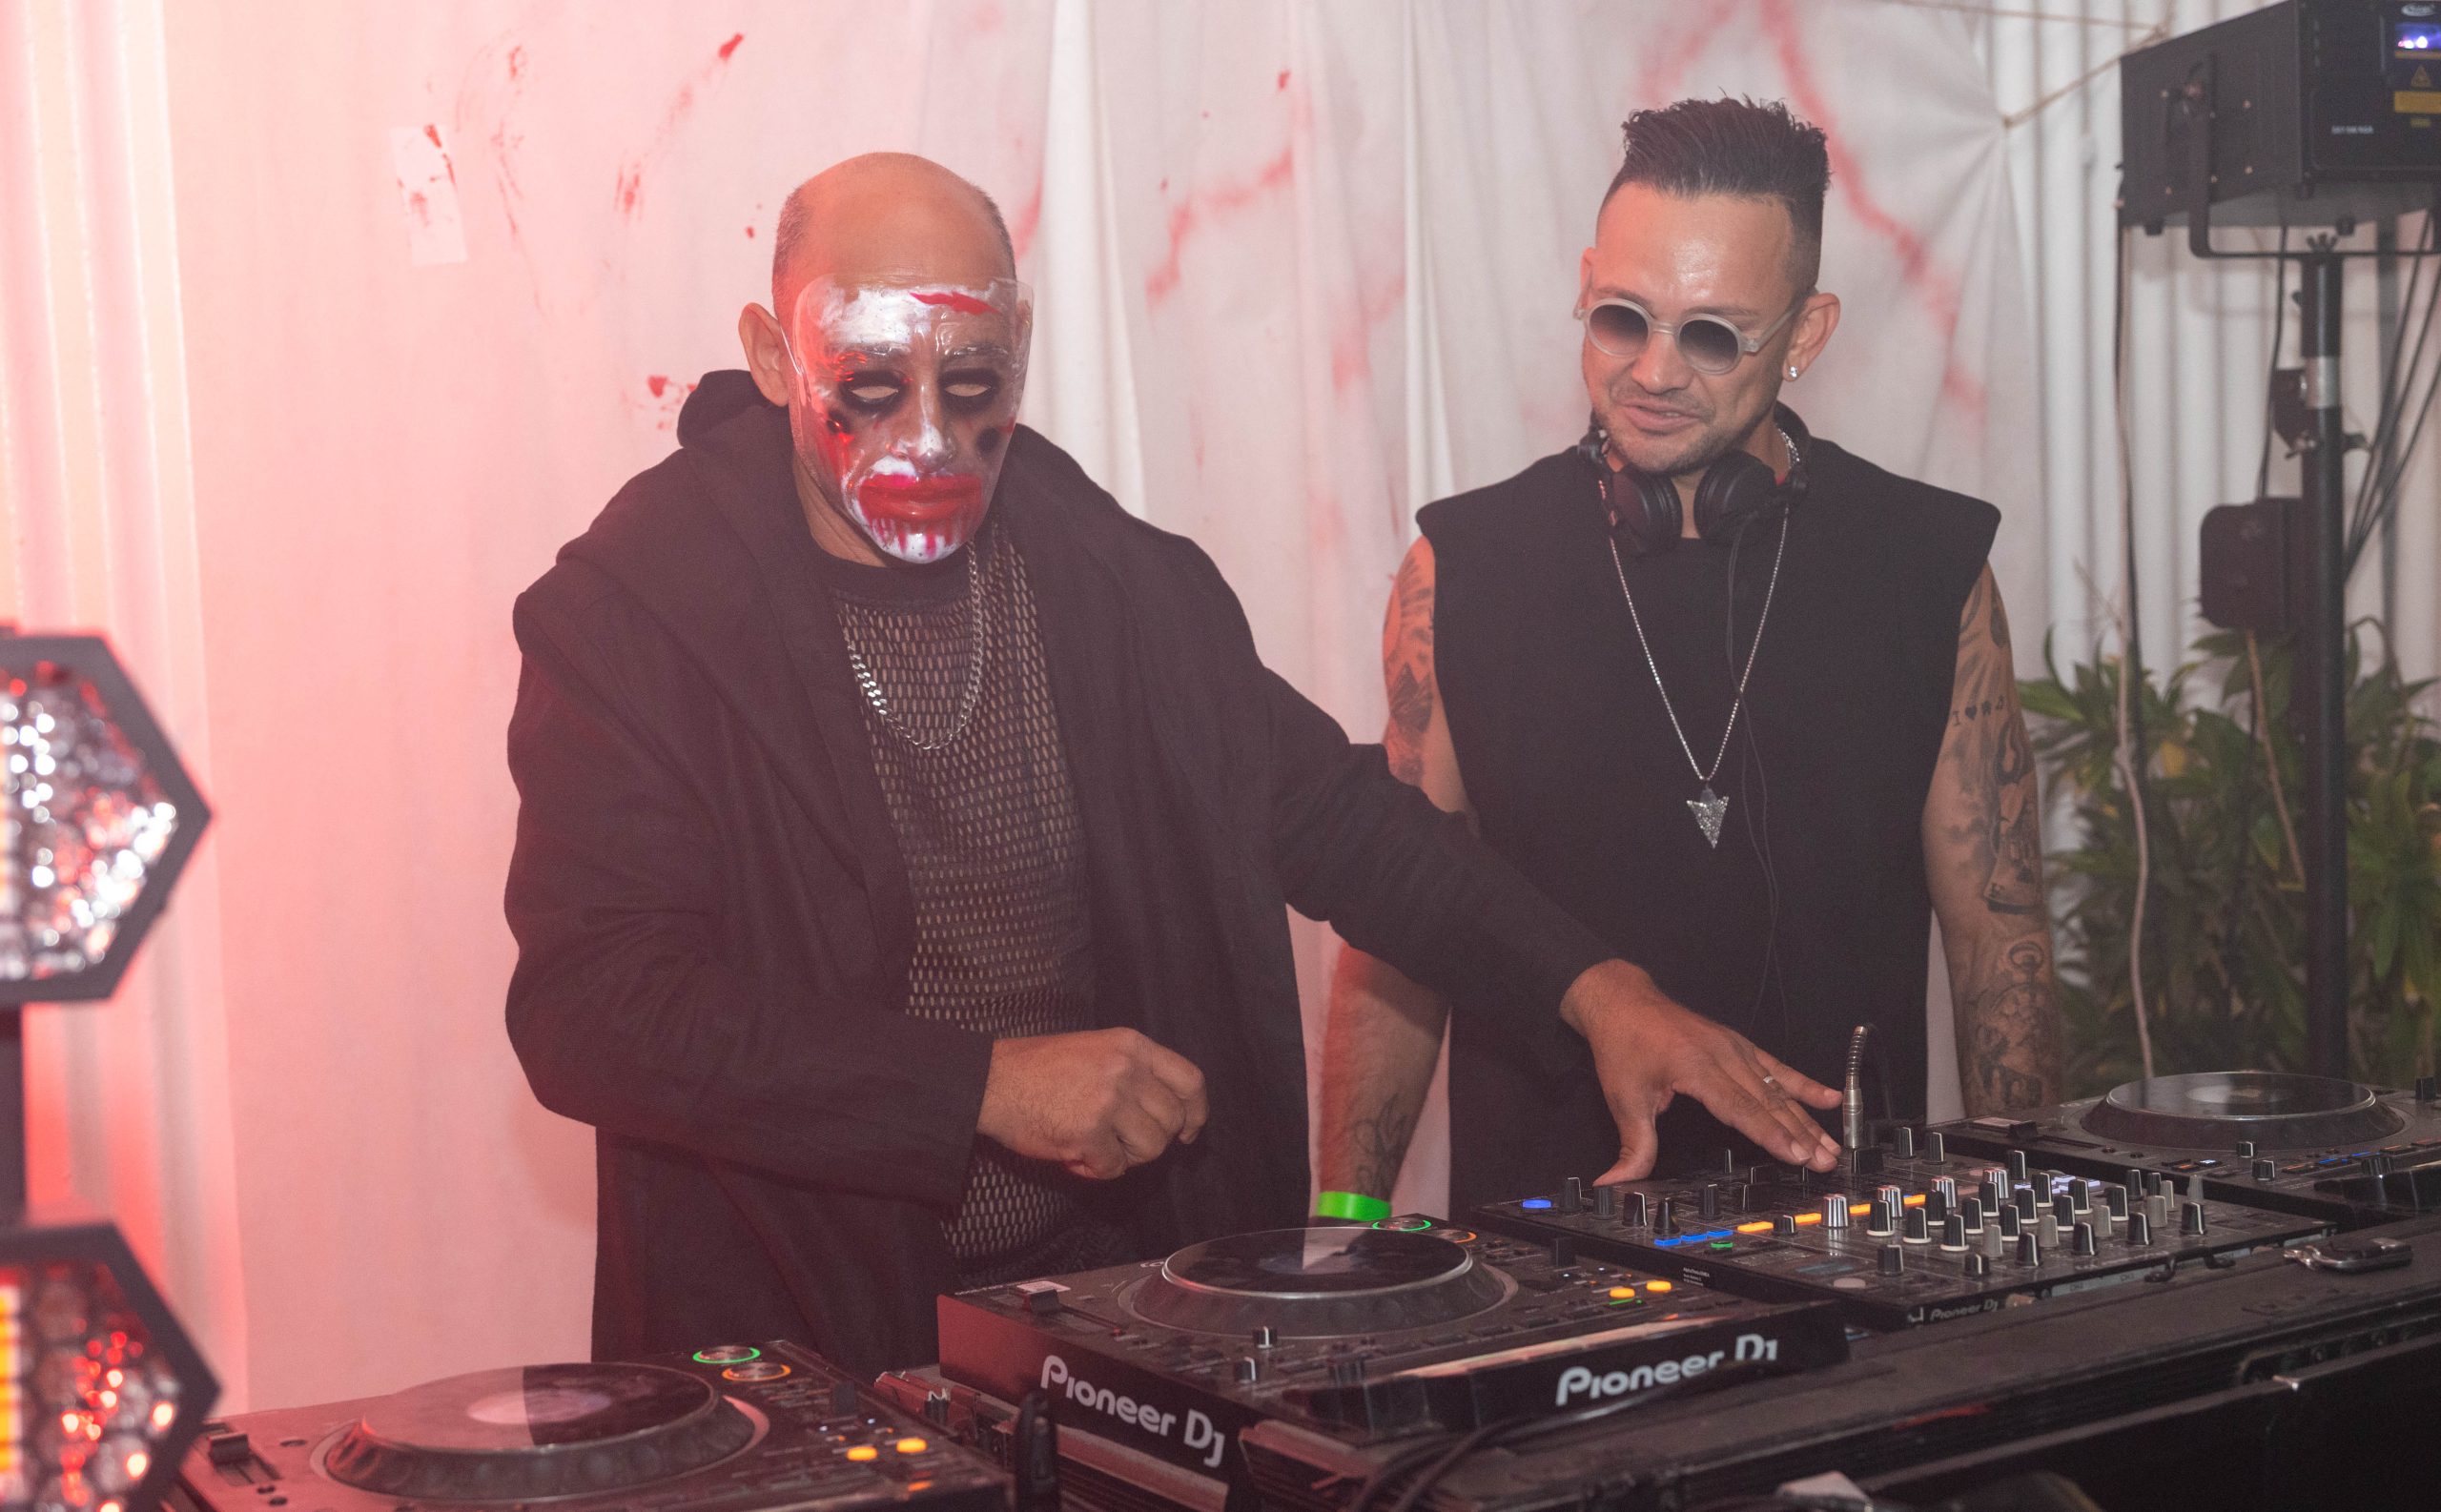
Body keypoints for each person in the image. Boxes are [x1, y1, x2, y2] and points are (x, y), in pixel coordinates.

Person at [503, 152, 1847, 1377]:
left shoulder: (1099, 571)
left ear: (1022, 351)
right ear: (772, 353)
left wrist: (1595, 989)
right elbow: (594, 1008)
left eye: (972, 383)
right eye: (869, 384)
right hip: (803, 1330)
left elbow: (1339, 817)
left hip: (1093, 1317)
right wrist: (981, 1086)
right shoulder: (638, 613)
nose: (928, 438)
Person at [1319, 99, 2064, 1214]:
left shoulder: (1926, 566)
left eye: (1711, 335)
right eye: (1622, 318)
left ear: (1805, 334)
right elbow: (1397, 928)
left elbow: (1999, 939)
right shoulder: (1462, 569)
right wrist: (1347, 1231)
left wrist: (2029, 1229)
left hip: (1851, 1243)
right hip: (1540, 1253)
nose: (1654, 371)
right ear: (1585, 285)